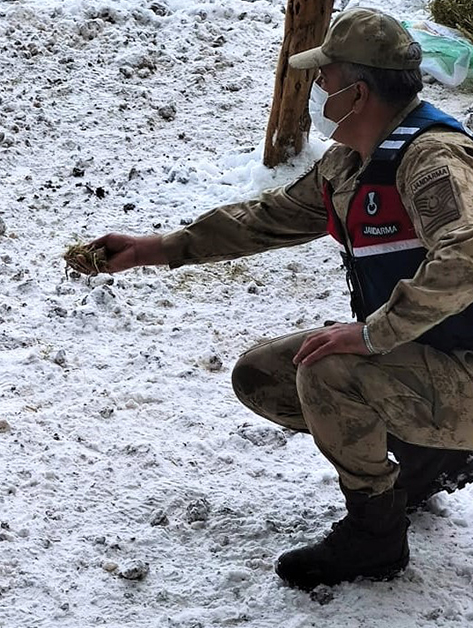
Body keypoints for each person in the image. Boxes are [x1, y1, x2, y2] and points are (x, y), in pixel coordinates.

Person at [89, 7, 473, 591]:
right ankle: (428, 461)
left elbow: (468, 255)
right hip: (433, 358)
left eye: (325, 77)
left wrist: (372, 333)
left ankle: (375, 536)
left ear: (357, 91)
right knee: (266, 375)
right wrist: (155, 249)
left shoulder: (431, 158)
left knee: (332, 370)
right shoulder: (351, 161)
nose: (316, 90)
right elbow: (268, 218)